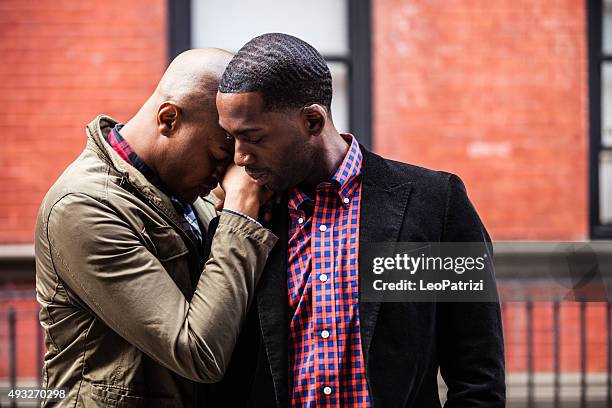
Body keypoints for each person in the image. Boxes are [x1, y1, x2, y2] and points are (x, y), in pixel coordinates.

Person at [204, 33, 505, 407]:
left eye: (253, 138)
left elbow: (477, 377)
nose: (239, 157)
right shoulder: (245, 222)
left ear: (312, 121)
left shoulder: (432, 204)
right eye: (231, 137)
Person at [35, 48, 278, 407]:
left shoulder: (185, 191)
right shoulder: (82, 206)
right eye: (218, 157)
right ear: (169, 119)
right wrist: (240, 217)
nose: (228, 174)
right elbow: (198, 352)